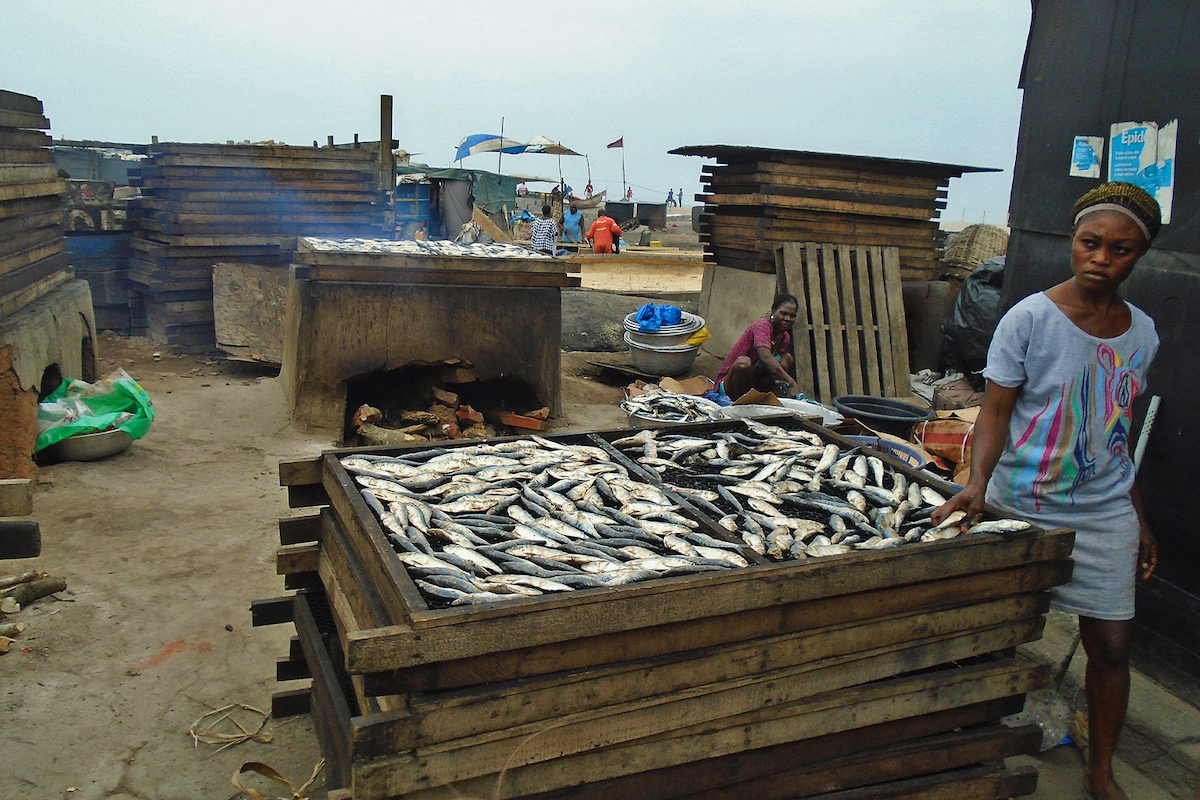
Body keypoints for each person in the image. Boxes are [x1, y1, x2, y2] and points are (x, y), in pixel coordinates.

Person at [931, 182, 1162, 800]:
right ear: (1073, 243)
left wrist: (1138, 516)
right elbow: (995, 415)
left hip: (1104, 507)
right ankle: (972, 741)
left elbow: (1120, 430)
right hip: (1020, 501)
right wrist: (977, 486)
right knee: (997, 628)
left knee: (1112, 644)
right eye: (1090, 244)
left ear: (1139, 256)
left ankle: (1101, 769)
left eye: (1120, 249)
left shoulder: (1142, 334)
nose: (1101, 259)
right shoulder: (1029, 318)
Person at [715, 294, 800, 400]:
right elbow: (765, 358)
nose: (788, 319)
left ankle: (760, 397)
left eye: (792, 316)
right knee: (743, 364)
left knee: (786, 359)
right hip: (731, 384)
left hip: (754, 383)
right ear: (773, 311)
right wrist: (790, 380)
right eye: (784, 313)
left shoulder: (784, 338)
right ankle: (740, 402)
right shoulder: (762, 326)